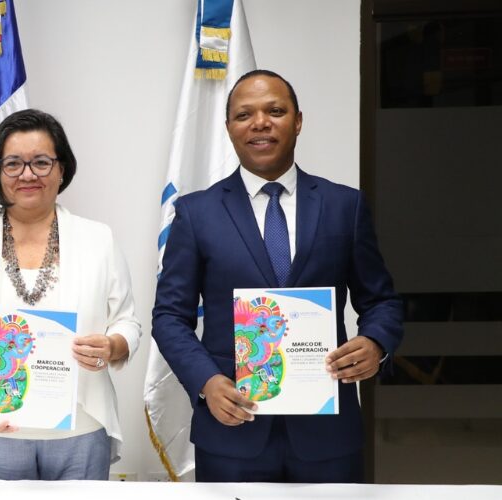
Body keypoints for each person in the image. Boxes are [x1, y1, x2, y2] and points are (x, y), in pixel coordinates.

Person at [152, 69, 403, 483]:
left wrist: (376, 342)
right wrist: (206, 381)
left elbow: (381, 301)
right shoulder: (197, 213)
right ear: (229, 128)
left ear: (298, 121)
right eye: (244, 115)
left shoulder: (345, 205)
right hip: (233, 429)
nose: (260, 123)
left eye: (275, 111)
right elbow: (169, 317)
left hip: (328, 433)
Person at [0, 109, 142, 480]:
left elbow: (127, 322)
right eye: (13, 164)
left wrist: (112, 345)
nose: (27, 174)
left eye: (41, 162)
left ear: (61, 169)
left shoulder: (98, 239)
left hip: (81, 424)